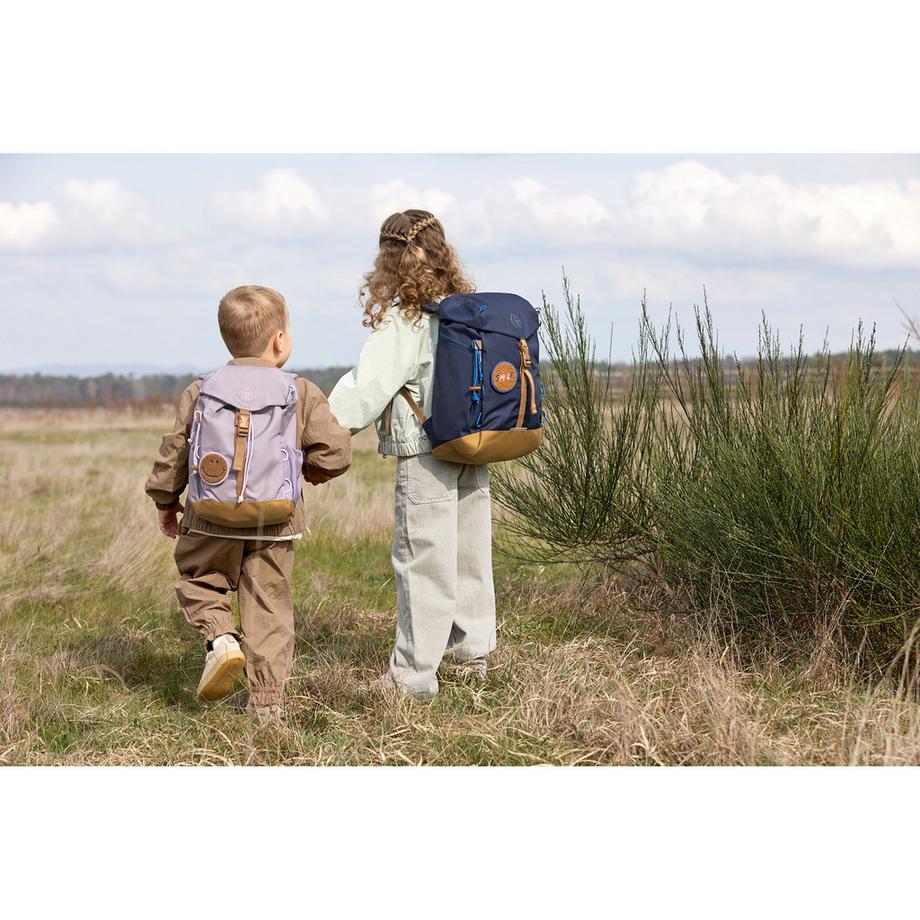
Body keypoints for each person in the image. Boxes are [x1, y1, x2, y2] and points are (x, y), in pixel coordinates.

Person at [145, 285, 352, 723]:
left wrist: (167, 501)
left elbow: (175, 451)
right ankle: (267, 705)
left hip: (207, 516)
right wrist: (307, 472)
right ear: (280, 341)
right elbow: (337, 452)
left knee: (200, 580)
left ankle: (221, 640)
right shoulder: (300, 390)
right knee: (269, 605)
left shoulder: (201, 389)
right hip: (274, 521)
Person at [329, 210, 496, 700]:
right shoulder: (468, 312)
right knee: (469, 556)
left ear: (388, 259)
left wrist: (314, 429)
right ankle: (472, 661)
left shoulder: (406, 321)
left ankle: (412, 681)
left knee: (423, 562)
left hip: (426, 451)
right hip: (474, 447)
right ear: (444, 253)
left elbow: (365, 390)